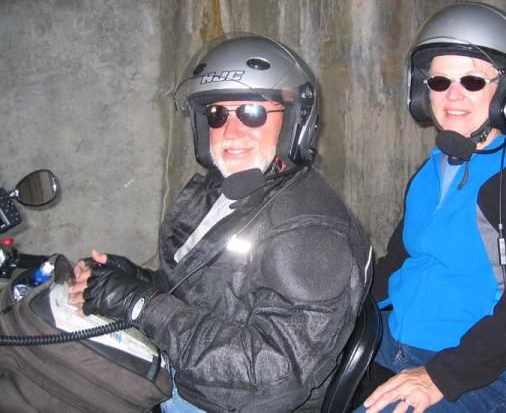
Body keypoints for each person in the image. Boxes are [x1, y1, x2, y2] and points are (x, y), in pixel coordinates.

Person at [68, 34, 372, 412]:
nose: (230, 132)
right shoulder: (227, 190)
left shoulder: (309, 233)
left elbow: (271, 375)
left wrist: (139, 304)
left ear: (294, 121)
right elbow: (203, 293)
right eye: (217, 114)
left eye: (253, 113)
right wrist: (133, 281)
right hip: (183, 375)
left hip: (220, 402)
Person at [358, 3, 506, 413]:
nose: (453, 95)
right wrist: (340, 307)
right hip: (401, 347)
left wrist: (439, 377)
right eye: (440, 80)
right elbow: (400, 261)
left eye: (472, 81)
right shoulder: (431, 171)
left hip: (482, 375)